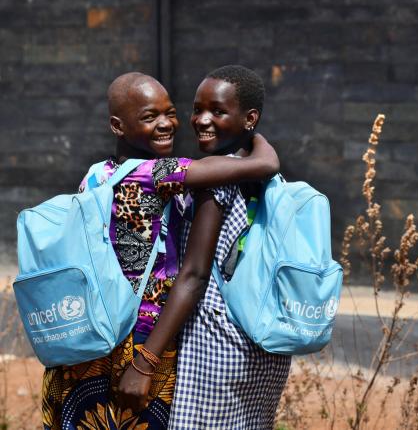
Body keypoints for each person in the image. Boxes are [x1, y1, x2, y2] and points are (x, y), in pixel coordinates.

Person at [41, 72, 279, 429]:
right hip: (134, 347)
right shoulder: (156, 174)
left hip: (85, 337)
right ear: (118, 126)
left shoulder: (96, 175)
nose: (167, 124)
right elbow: (265, 165)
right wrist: (252, 133)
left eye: (170, 113)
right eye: (150, 117)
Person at [168, 66, 292, 429]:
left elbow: (193, 276)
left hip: (212, 345)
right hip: (261, 347)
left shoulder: (216, 177)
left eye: (217, 111)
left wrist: (145, 361)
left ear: (249, 118)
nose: (201, 120)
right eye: (197, 109)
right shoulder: (270, 177)